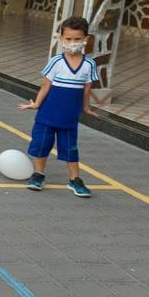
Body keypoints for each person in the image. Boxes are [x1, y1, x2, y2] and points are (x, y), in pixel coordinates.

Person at [18, 16, 97, 197]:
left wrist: (86, 109)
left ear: (86, 39)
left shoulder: (89, 65)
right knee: (41, 145)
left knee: (71, 149)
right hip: (47, 116)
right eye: (68, 39)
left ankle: (75, 180)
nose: (72, 43)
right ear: (61, 39)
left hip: (69, 119)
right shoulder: (56, 62)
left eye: (77, 39)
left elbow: (86, 90)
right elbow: (45, 86)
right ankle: (38, 175)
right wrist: (36, 104)